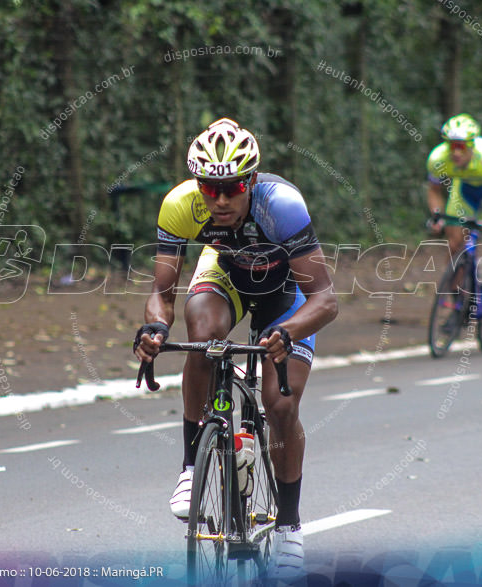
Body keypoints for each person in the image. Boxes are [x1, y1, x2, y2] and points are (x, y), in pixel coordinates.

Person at [133, 118, 338, 578]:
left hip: (288, 292)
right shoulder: (181, 205)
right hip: (227, 274)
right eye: (210, 188)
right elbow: (162, 293)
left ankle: (288, 529)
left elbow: (326, 300)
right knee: (202, 335)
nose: (221, 199)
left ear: (251, 181)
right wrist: (154, 327)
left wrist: (287, 333)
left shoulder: (280, 205)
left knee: (279, 403)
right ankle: (191, 466)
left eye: (233, 187)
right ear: (197, 185)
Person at [425, 113, 482, 305]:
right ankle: (457, 301)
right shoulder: (437, 158)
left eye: (462, 146)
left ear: (472, 145)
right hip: (464, 192)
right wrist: (436, 217)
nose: (456, 152)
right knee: (454, 245)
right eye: (452, 145)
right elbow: (434, 191)